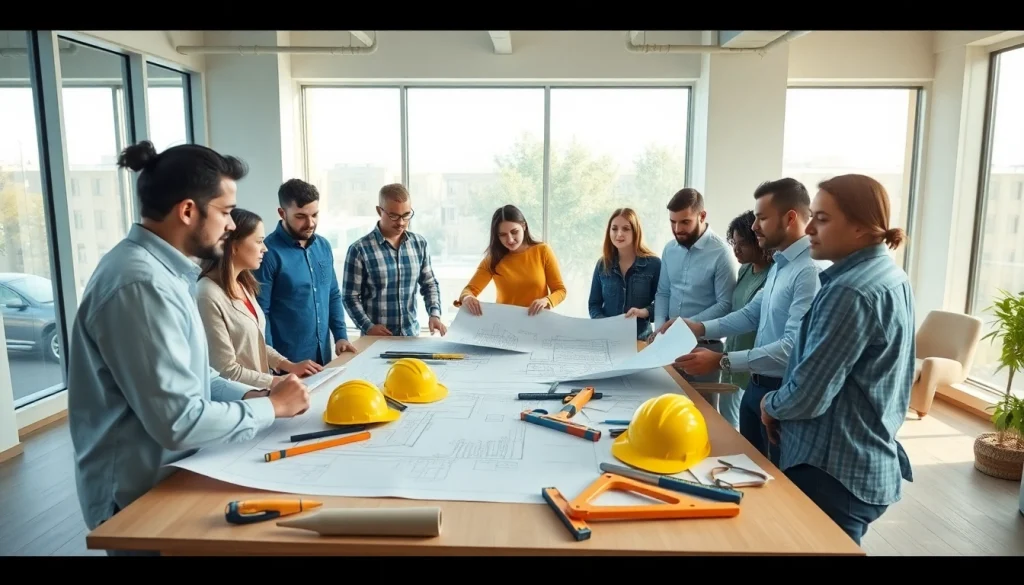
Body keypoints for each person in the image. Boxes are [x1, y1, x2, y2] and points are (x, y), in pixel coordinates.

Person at [67, 141, 310, 549]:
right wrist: (271, 407)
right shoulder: (141, 284)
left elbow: (200, 375)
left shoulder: (168, 273)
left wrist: (255, 392)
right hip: (140, 497)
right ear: (187, 211)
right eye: (226, 212)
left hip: (172, 476)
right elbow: (178, 420)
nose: (232, 226)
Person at [760, 174, 915, 545]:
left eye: (823, 219)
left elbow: (809, 395)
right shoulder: (891, 275)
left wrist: (770, 403)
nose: (809, 228)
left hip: (832, 468)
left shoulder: (849, 291)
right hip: (865, 456)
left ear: (862, 226)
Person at [674, 179, 824, 465]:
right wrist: (699, 327)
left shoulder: (808, 272)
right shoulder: (782, 265)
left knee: (777, 484)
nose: (754, 227)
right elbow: (750, 314)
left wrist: (721, 361)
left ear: (790, 218)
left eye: (762, 218)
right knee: (748, 467)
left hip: (781, 396)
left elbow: (791, 348)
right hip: (756, 389)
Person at [196, 208, 324, 389]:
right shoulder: (207, 294)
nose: (265, 248)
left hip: (261, 395)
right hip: (239, 401)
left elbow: (256, 344)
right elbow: (225, 369)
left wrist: (289, 366)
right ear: (233, 245)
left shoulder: (243, 284)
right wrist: (275, 381)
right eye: (259, 242)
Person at [253, 179, 356, 366]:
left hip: (323, 359)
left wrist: (341, 336)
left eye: (315, 214)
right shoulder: (267, 253)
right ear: (282, 213)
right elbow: (261, 313)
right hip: (287, 365)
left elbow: (332, 294)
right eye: (301, 216)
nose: (310, 223)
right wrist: (273, 364)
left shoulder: (323, 246)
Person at [652, 188, 737, 408]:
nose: (677, 229)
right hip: (668, 344)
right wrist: (659, 329)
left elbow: (726, 304)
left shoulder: (721, 253)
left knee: (704, 413)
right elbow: (663, 292)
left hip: (704, 349)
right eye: (673, 222)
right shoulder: (669, 249)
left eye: (685, 222)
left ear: (702, 216)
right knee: (667, 409)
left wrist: (685, 326)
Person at [342, 183, 446, 337]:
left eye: (406, 215)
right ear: (379, 211)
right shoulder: (359, 250)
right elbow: (350, 296)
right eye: (394, 216)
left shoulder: (419, 244)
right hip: (375, 340)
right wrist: (368, 327)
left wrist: (435, 314)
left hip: (410, 337)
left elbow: (429, 284)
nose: (401, 222)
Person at [717, 210, 773, 429]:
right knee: (728, 417)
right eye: (734, 243)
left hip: (753, 359)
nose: (736, 250)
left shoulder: (773, 274)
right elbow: (736, 312)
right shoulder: (745, 270)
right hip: (732, 351)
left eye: (742, 244)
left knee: (750, 424)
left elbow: (753, 317)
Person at [457, 204, 567, 316]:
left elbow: (560, 290)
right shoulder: (493, 260)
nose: (510, 239)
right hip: (505, 323)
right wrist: (468, 297)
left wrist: (546, 301)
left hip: (538, 324)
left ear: (524, 226)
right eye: (503, 235)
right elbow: (468, 290)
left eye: (514, 232)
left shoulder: (542, 251)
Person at [588, 208, 662, 340]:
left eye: (626, 229)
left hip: (641, 340)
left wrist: (644, 312)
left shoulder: (654, 264)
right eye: (614, 228)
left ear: (635, 231)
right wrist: (603, 323)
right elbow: (594, 304)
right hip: (608, 339)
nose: (619, 234)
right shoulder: (602, 264)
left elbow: (662, 302)